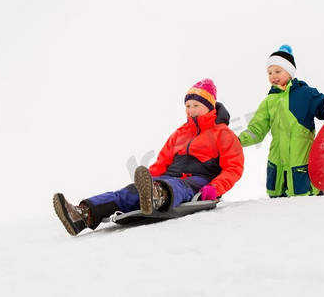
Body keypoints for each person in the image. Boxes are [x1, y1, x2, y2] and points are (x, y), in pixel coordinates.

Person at [53, 78, 244, 236]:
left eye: (196, 105)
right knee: (127, 193)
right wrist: (143, 183)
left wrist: (215, 187)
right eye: (187, 105)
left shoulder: (223, 134)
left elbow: (233, 167)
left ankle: (157, 195)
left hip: (199, 181)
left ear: (210, 107)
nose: (190, 110)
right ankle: (82, 214)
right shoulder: (180, 133)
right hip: (169, 176)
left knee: (178, 187)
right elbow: (162, 162)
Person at [238, 45, 324, 197]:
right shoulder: (269, 101)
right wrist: (236, 141)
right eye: (269, 72)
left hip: (301, 163)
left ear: (289, 72)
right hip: (277, 166)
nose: (272, 76)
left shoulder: (306, 94)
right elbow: (257, 130)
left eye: (277, 71)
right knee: (278, 209)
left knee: (303, 207)